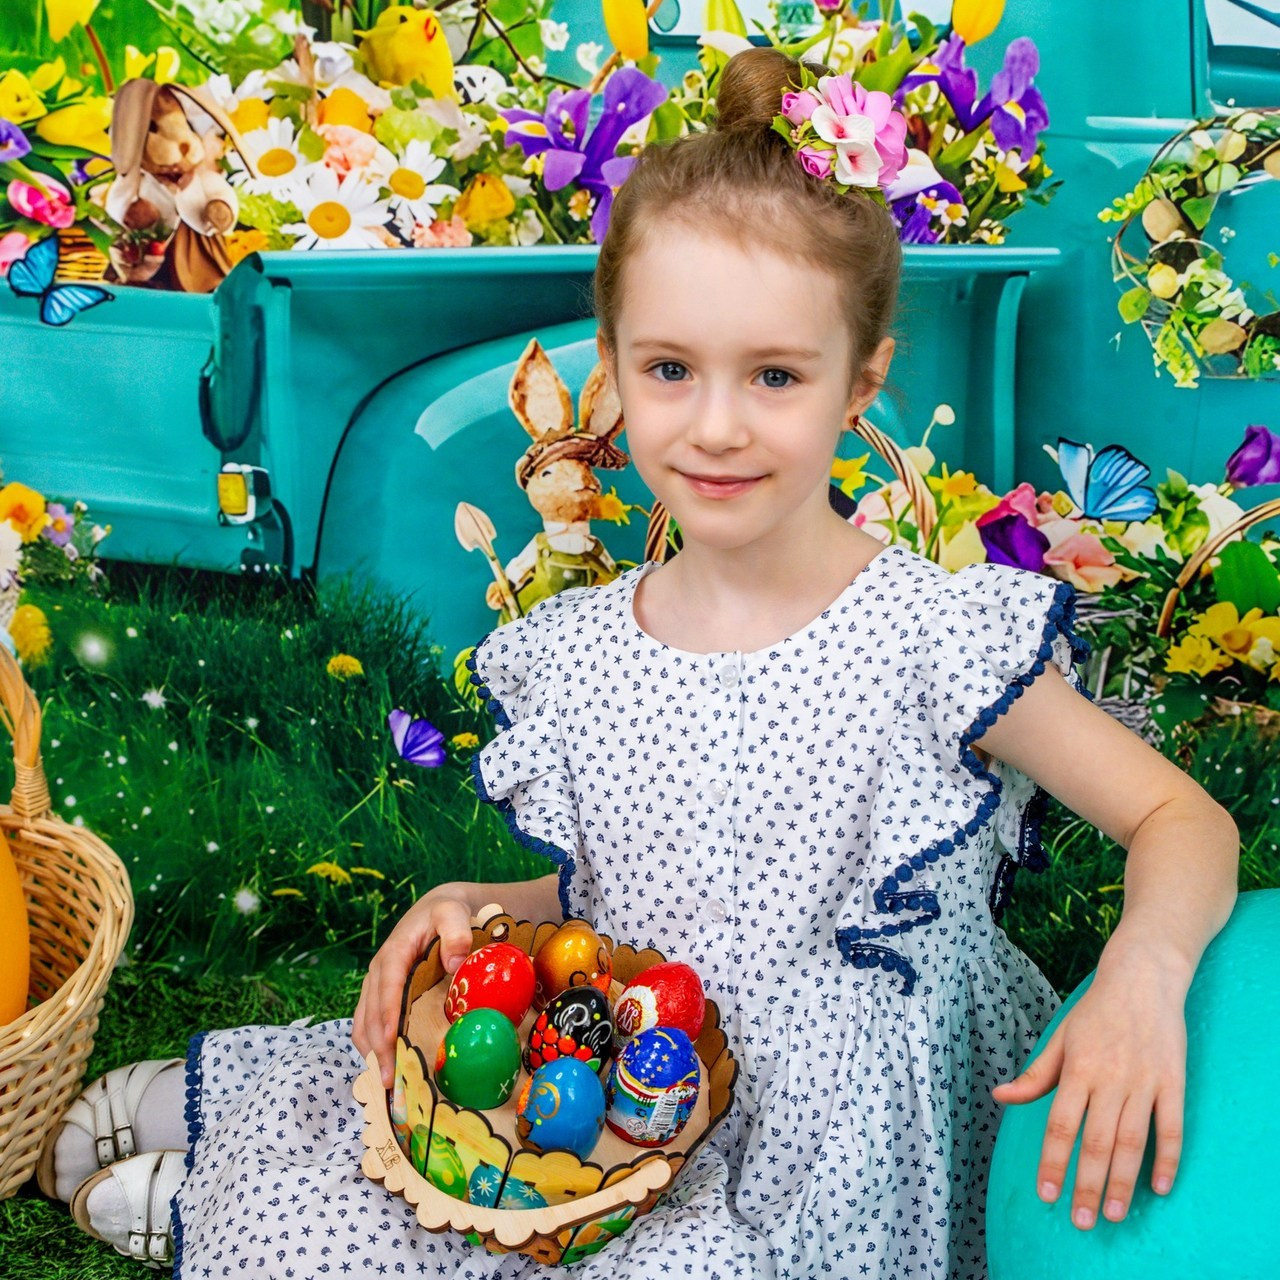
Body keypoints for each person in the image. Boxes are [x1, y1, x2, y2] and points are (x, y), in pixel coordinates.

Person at [44, 47, 1238, 1279]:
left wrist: (1141, 972)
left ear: (859, 383)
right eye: (669, 370)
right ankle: (245, 1142)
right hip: (625, 1072)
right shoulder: (584, 649)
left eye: (774, 375)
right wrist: (483, 909)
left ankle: (236, 1185)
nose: (715, 425)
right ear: (609, 371)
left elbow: (1181, 820)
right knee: (418, 1164)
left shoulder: (927, 634)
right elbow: (619, 904)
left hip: (822, 1148)